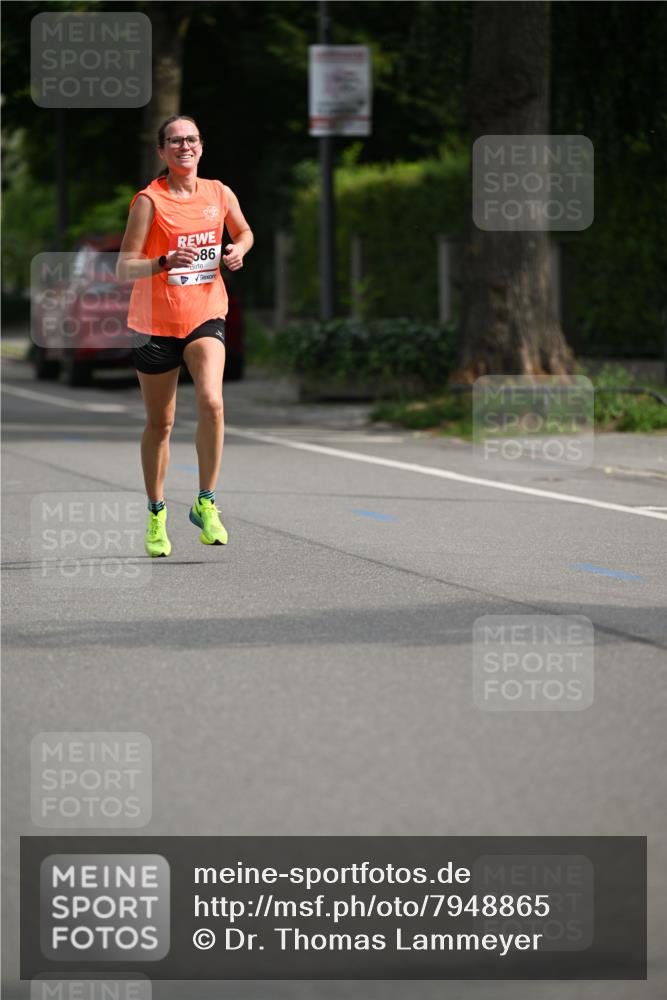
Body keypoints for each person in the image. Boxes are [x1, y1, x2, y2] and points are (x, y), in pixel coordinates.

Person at [117, 114, 253, 557]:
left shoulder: (219, 192)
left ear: (201, 146)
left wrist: (238, 250)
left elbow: (245, 231)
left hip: (204, 314)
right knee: (162, 424)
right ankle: (157, 513)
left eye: (191, 139)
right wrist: (162, 263)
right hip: (154, 325)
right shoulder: (148, 202)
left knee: (212, 401)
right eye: (174, 141)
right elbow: (124, 267)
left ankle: (206, 502)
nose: (184, 147)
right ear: (162, 152)